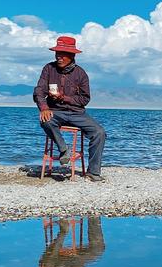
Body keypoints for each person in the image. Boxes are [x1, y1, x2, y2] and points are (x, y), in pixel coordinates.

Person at [33, 36, 107, 182]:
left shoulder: (81, 74)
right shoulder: (49, 69)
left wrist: (63, 98)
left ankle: (93, 172)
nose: (59, 57)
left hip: (77, 113)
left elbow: (85, 99)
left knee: (99, 133)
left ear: (72, 56)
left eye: (63, 54)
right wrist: (44, 108)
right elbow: (39, 91)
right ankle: (64, 149)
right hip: (56, 111)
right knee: (45, 121)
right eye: (57, 53)